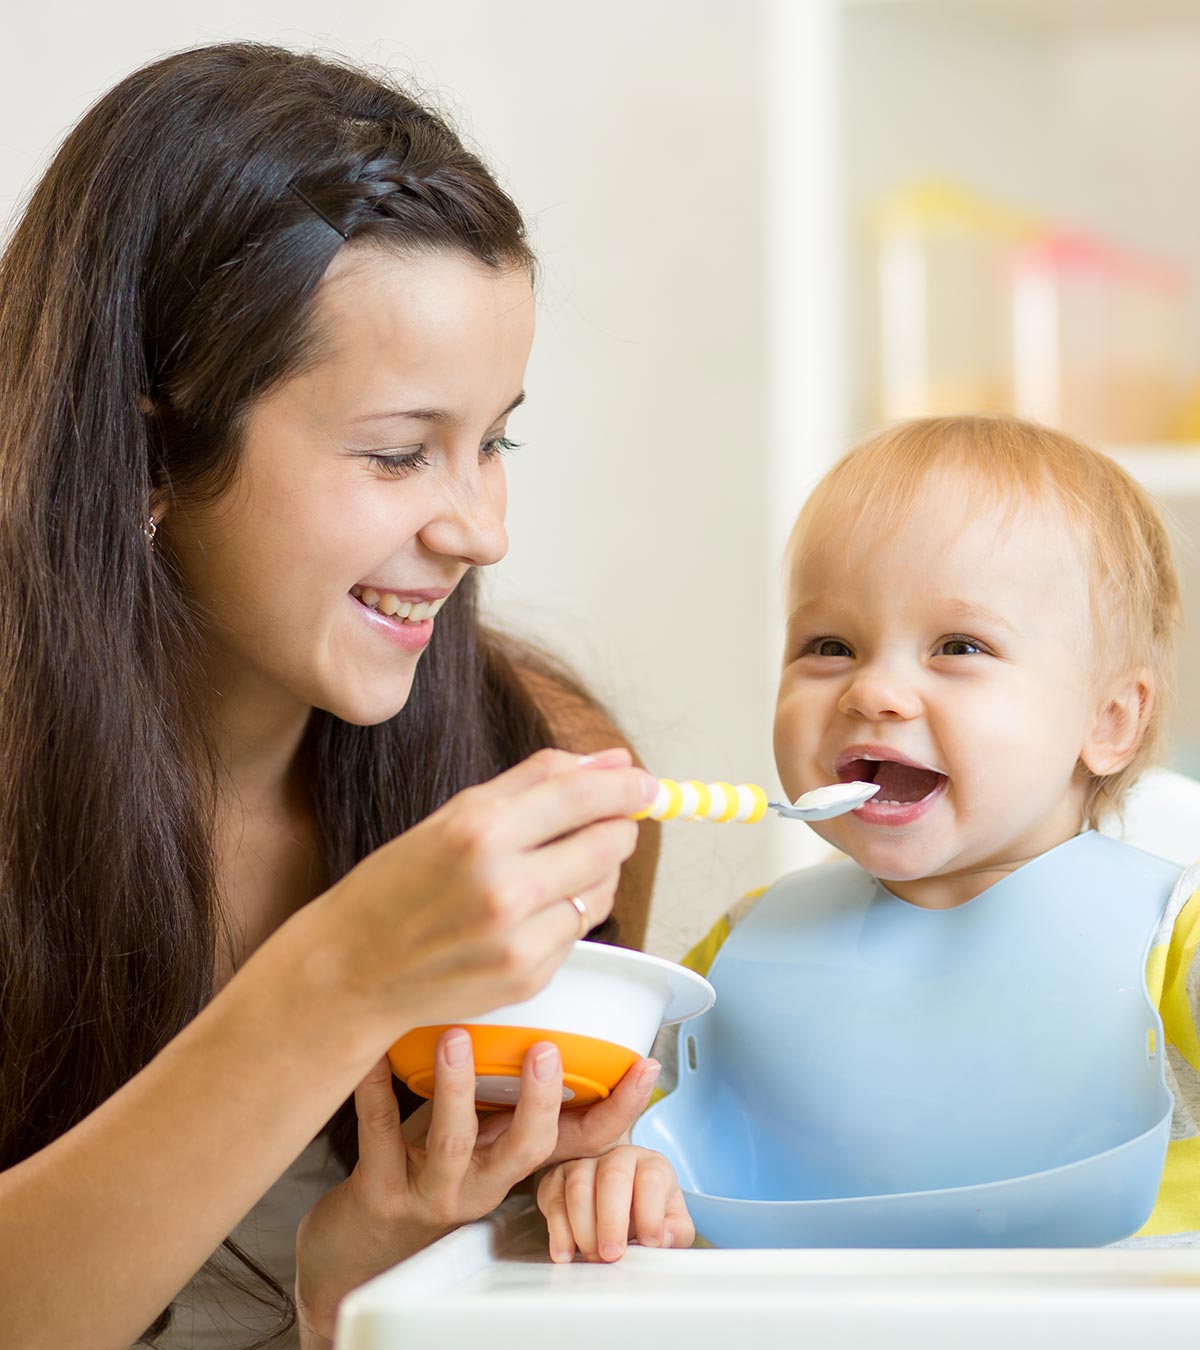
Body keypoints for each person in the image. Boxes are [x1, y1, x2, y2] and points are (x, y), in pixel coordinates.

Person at [0, 42, 690, 1350]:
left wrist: (365, 1295)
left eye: (496, 440)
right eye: (396, 452)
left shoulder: (526, 766)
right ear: (148, 452)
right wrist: (338, 979)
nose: (480, 529)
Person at [675, 414, 1199, 1240]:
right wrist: (607, 1169)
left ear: (1107, 721)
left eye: (958, 645)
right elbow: (628, 1129)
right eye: (830, 644)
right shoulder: (739, 952)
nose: (872, 691)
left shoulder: (1176, 941)